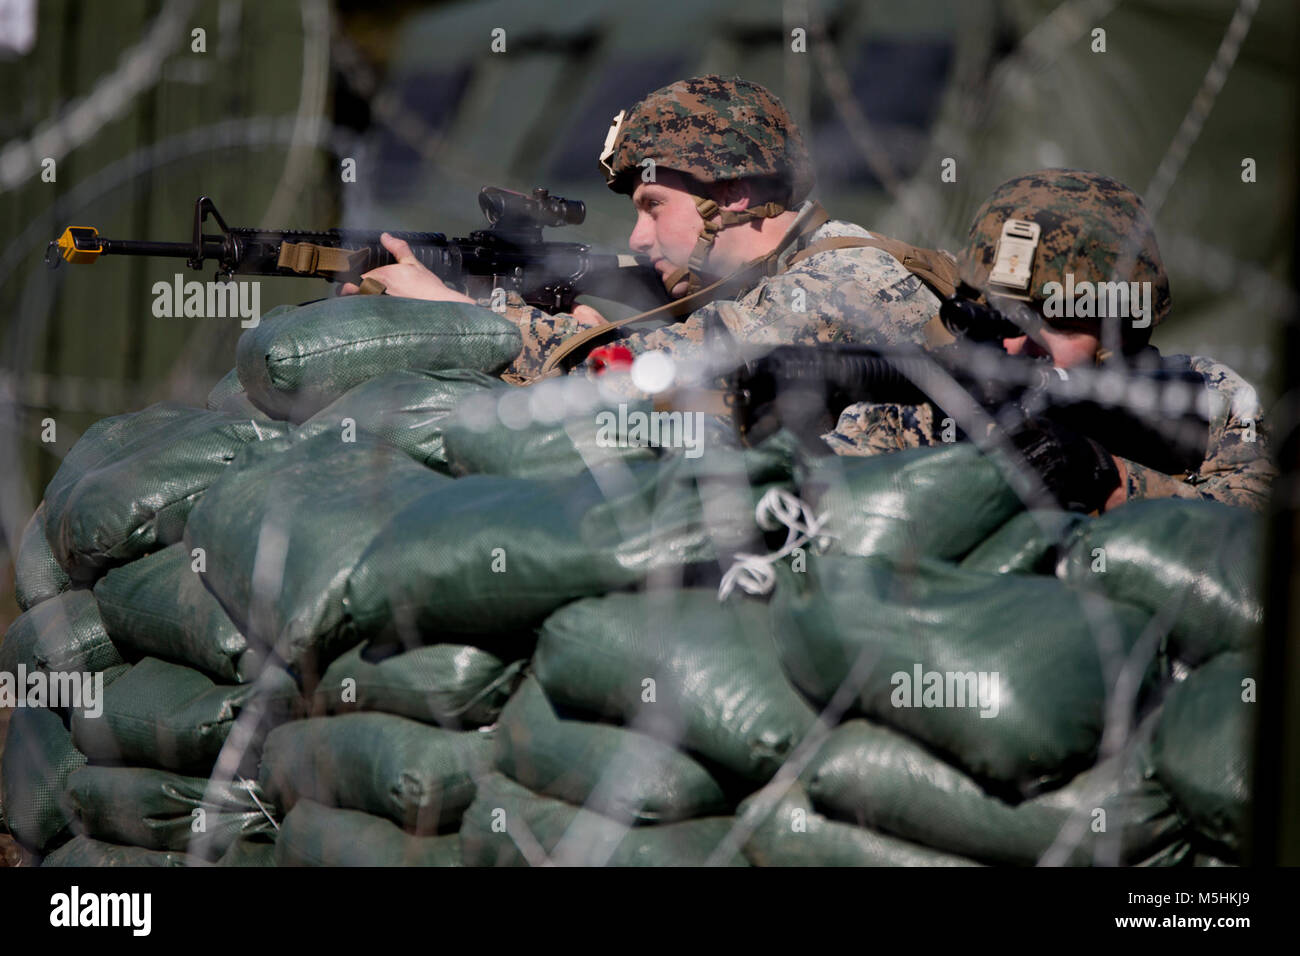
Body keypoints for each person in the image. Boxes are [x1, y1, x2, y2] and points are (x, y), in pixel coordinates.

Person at [341, 74, 944, 381]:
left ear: (730, 192)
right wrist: (597, 342)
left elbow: (658, 373)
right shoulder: (783, 279)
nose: (636, 237)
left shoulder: (843, 278)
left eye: (653, 204)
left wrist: (455, 317)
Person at [825, 168, 1276, 512]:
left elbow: (1245, 546)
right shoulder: (927, 402)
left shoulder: (1213, 405)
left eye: (1057, 323)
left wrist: (1106, 478)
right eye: (1001, 317)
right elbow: (824, 494)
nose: (1020, 346)